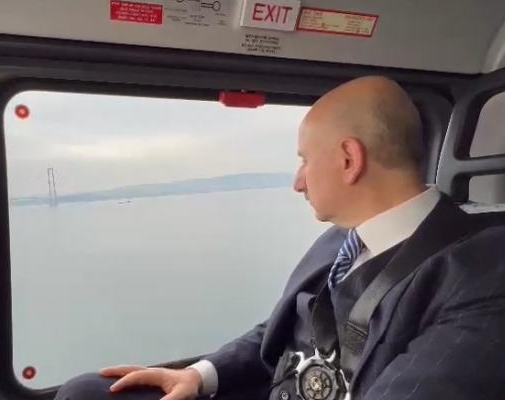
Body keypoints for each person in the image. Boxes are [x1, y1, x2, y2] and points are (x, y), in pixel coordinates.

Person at [54, 76, 505, 400]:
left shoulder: (483, 273)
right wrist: (200, 374)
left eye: (305, 160)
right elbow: (286, 327)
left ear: (349, 159)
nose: (298, 181)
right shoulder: (340, 241)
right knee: (86, 392)